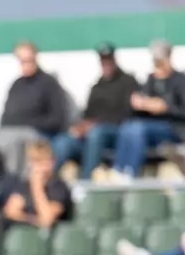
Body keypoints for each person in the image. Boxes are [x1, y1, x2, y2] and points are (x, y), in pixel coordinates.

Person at [115, 38, 185, 179]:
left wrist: (165, 107)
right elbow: (139, 110)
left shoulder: (181, 81)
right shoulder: (151, 80)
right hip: (152, 128)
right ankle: (119, 169)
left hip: (175, 128)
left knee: (137, 129)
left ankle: (130, 172)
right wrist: (139, 104)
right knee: (127, 127)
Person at [53, 43, 138, 179]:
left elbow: (128, 115)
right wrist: (80, 128)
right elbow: (88, 115)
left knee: (95, 134)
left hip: (116, 131)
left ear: (114, 60)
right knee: (64, 141)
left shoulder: (128, 82)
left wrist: (95, 125)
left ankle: (87, 182)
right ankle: (50, 181)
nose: (106, 64)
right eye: (103, 60)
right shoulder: (97, 87)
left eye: (109, 59)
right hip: (93, 129)